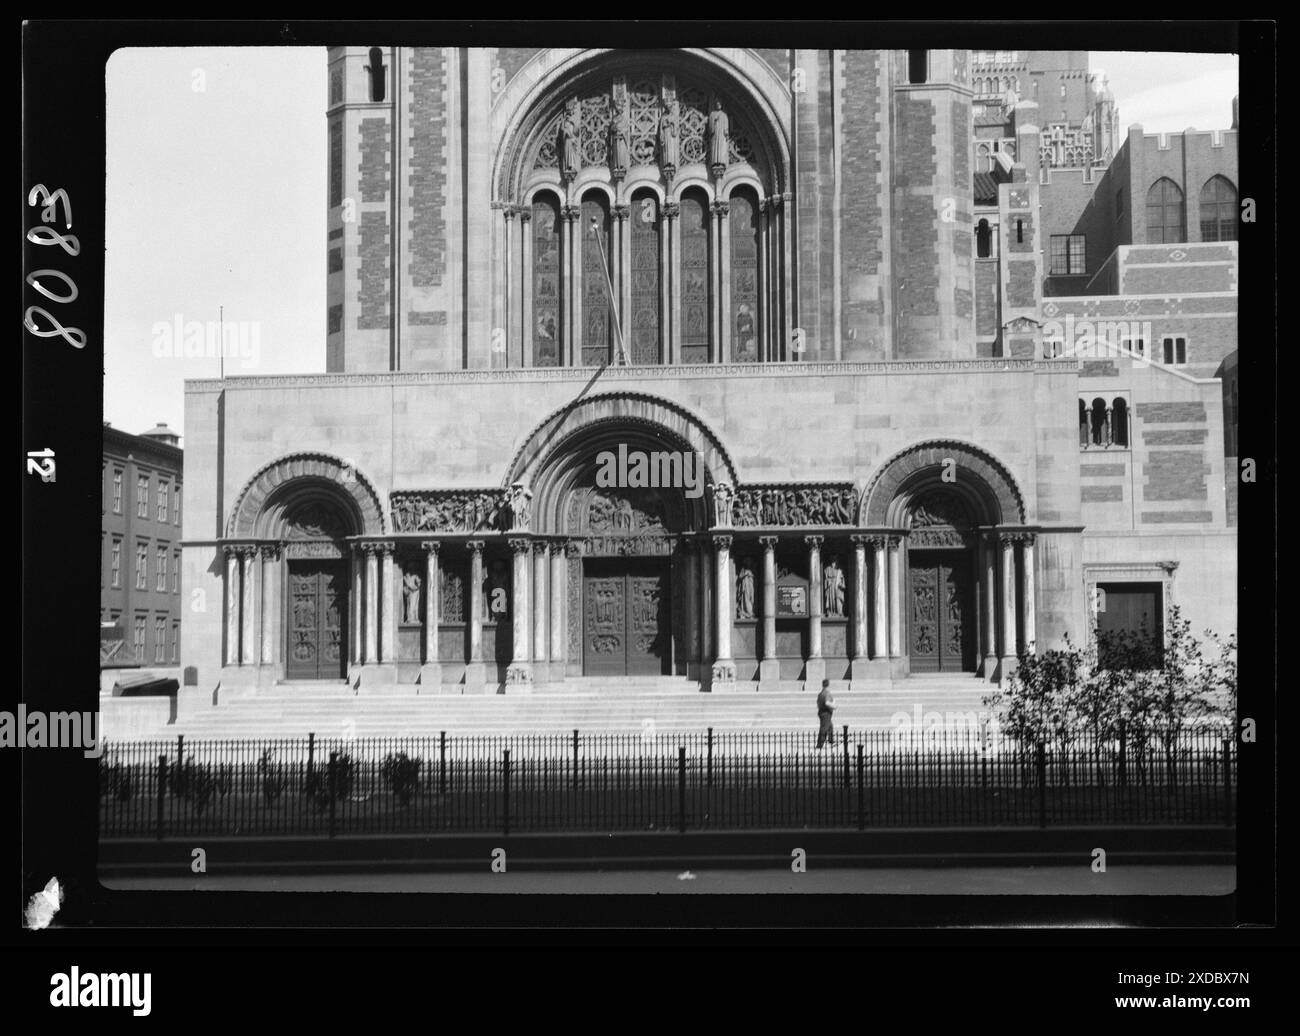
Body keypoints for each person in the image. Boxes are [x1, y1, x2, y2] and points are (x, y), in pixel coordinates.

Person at [815, 679, 835, 749]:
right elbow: (827, 703)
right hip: (826, 713)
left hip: (821, 712)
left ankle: (831, 741)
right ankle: (819, 744)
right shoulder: (827, 693)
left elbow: (817, 703)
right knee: (824, 728)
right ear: (828, 684)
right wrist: (834, 706)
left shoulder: (820, 693)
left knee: (830, 727)